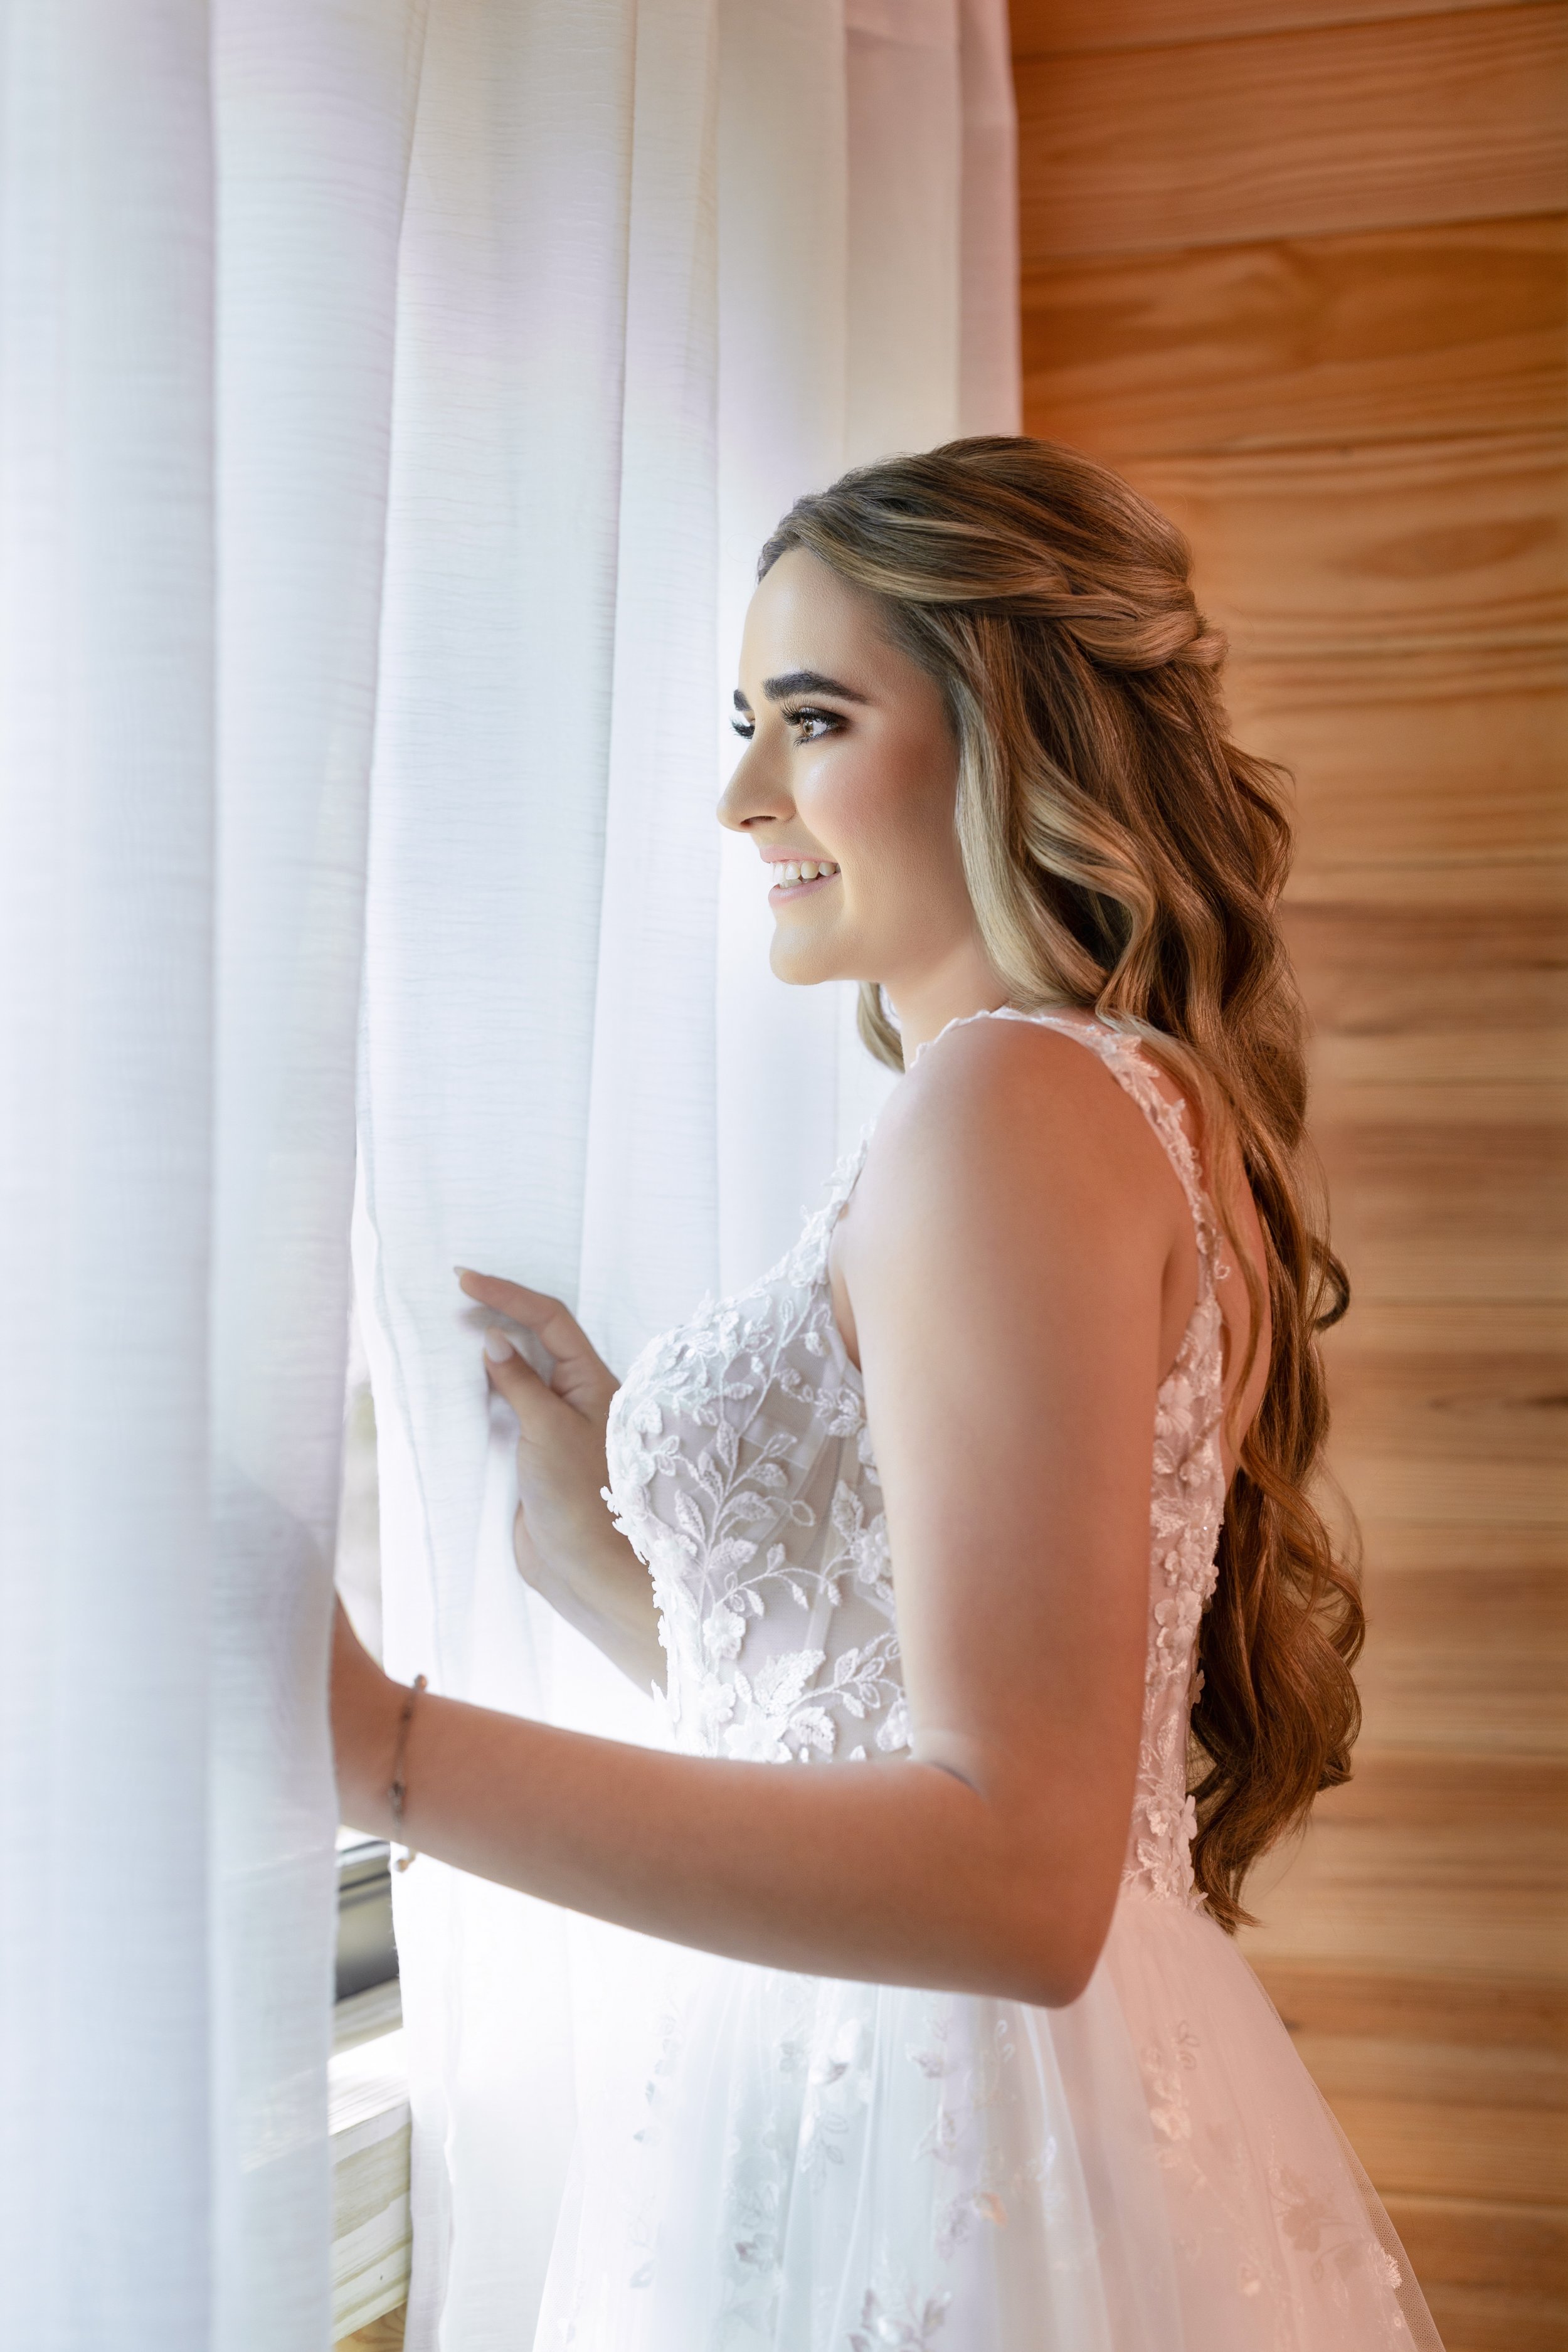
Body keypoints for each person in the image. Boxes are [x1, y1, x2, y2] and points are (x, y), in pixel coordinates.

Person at [331, 437, 1443, 2349]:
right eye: (743, 725)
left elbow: (1013, 1873)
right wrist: (613, 1565)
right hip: (942, 2104)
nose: (740, 796)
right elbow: (904, 1718)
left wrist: (381, 1749)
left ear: (1013, 737)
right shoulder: (1110, 1108)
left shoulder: (1013, 1105)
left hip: (935, 2138)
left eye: (814, 721)